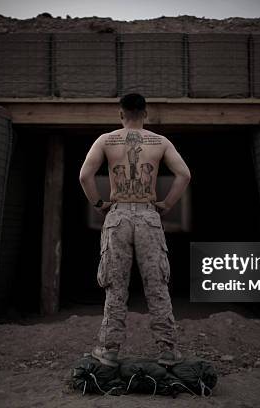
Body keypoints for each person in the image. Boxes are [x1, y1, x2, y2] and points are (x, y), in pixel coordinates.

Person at [78, 93, 191, 367]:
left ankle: (109, 350)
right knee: (156, 285)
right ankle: (167, 350)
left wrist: (99, 205)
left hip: (117, 217)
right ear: (146, 115)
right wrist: (166, 203)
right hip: (148, 216)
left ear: (120, 115)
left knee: (115, 286)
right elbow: (184, 175)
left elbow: (84, 176)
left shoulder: (106, 140)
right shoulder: (160, 142)